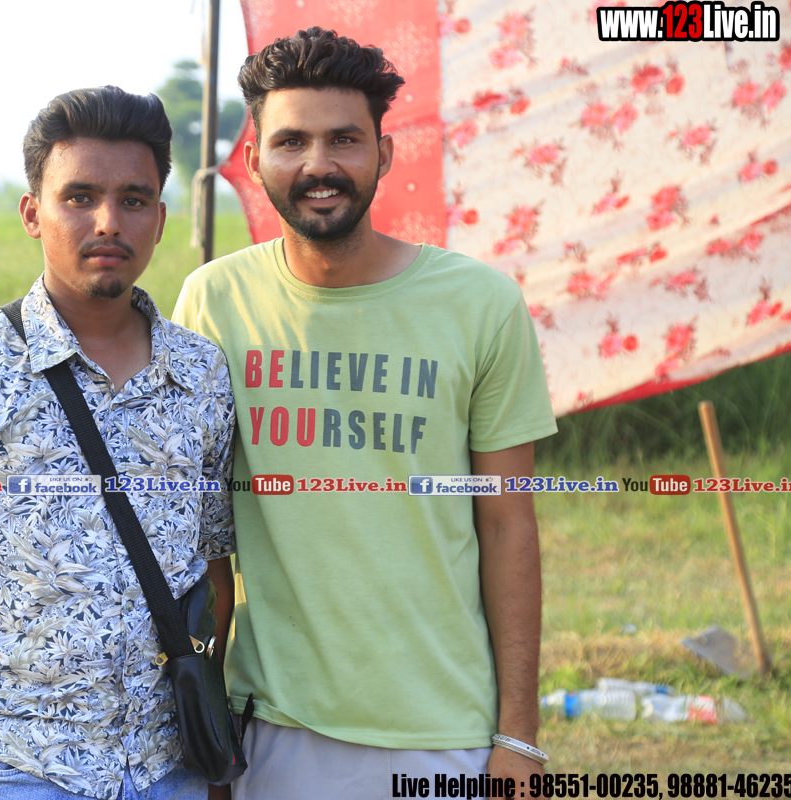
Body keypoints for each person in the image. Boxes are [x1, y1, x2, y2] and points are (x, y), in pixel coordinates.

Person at [172, 28, 558, 799]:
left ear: (383, 154)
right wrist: (207, 724)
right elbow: (200, 535)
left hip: (445, 729)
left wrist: (518, 736)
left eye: (344, 139)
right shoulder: (214, 302)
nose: (318, 164)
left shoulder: (480, 305)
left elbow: (508, 524)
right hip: (276, 726)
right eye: (291, 142)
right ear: (254, 159)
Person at [0, 85, 236, 800]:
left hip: (169, 768)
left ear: (160, 219)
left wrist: (214, 761)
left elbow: (214, 575)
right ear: (33, 213)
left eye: (133, 199)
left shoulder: (201, 375)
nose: (108, 222)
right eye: (79, 197)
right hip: (11, 766)